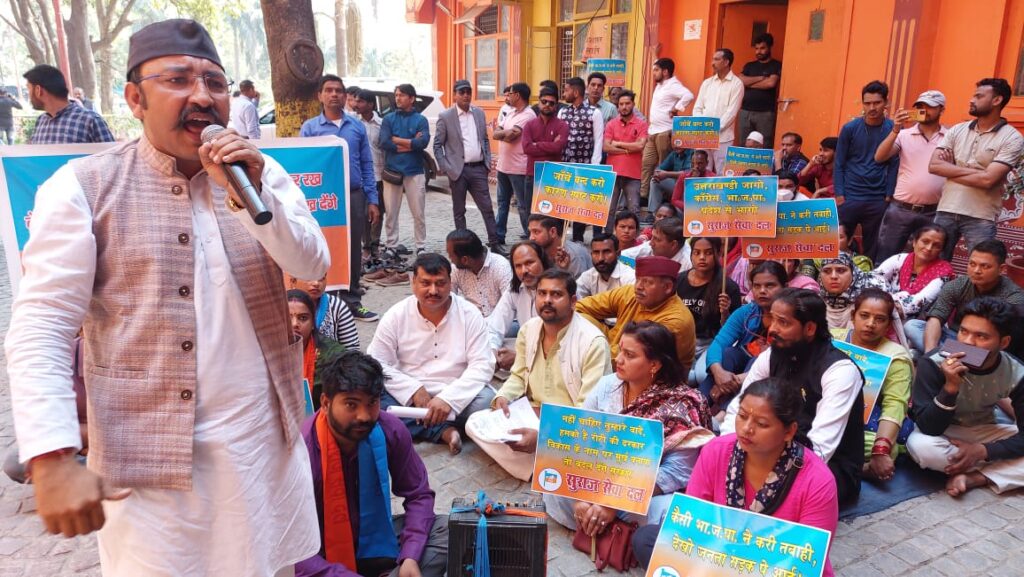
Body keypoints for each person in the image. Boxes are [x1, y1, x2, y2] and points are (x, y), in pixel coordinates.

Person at [5, 18, 329, 574]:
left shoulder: (258, 170)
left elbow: (311, 264)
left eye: (215, 83)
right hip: (152, 480)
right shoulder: (84, 188)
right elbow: (42, 326)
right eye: (178, 80)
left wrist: (250, 193)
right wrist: (52, 455)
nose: (202, 96)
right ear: (135, 98)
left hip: (260, 454)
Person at [633, 378, 839, 577]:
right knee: (647, 540)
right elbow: (694, 520)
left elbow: (805, 559)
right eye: (742, 416)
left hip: (775, 568)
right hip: (718, 555)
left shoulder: (817, 481)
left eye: (762, 424)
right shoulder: (716, 451)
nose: (747, 428)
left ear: (789, 432)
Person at [546, 321, 714, 531]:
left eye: (630, 355)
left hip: (644, 491)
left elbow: (676, 470)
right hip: (597, 480)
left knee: (666, 510)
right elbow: (580, 437)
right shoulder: (607, 385)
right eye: (620, 351)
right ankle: (598, 523)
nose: (618, 359)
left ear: (654, 365)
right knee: (554, 481)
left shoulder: (684, 404)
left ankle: (613, 530)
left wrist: (615, 501)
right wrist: (580, 494)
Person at [296, 350, 449, 577]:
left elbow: (418, 495)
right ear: (326, 403)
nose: (364, 416)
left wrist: (410, 556)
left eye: (372, 403)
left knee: (447, 531)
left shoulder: (390, 430)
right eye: (351, 404)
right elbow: (288, 546)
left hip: (378, 539)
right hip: (321, 552)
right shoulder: (301, 452)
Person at [722, 288, 865, 504]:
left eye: (783, 322)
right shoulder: (772, 355)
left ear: (809, 328)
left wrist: (762, 468)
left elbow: (821, 449)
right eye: (772, 319)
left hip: (826, 467)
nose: (772, 329)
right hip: (767, 447)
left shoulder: (840, 371)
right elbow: (739, 408)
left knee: (766, 496)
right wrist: (730, 452)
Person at [468, 270, 611, 480]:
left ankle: (542, 458)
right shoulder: (528, 330)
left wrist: (545, 436)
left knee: (584, 442)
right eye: (542, 293)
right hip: (532, 413)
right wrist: (503, 396)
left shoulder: (592, 342)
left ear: (573, 301)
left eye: (556, 294)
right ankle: (547, 460)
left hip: (569, 424)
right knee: (474, 422)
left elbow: (589, 411)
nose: (547, 300)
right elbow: (518, 375)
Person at [369, 253, 495, 455]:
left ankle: (419, 424)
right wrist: (412, 389)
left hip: (456, 390)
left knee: (487, 402)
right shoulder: (396, 315)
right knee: (369, 398)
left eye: (440, 283)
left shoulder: (469, 314)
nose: (433, 291)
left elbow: (482, 365)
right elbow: (375, 362)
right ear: (413, 283)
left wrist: (448, 399)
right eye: (426, 283)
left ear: (450, 282)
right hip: (409, 396)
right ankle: (443, 431)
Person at [908, 297, 1024, 497]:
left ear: (1003, 342)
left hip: (984, 429)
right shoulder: (933, 361)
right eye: (963, 331)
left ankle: (977, 477)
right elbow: (928, 427)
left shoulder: (1016, 372)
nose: (968, 341)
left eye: (981, 336)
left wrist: (984, 450)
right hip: (943, 434)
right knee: (921, 448)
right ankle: (999, 469)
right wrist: (950, 388)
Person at [300, 74, 381, 321]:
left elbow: (366, 164)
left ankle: (352, 301)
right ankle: (322, 303)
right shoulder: (310, 129)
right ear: (320, 96)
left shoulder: (356, 127)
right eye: (329, 90)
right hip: (323, 198)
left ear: (345, 96)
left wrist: (372, 199)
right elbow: (305, 164)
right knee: (322, 247)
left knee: (353, 249)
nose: (334, 94)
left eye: (338, 90)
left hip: (353, 196)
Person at [929, 78, 1024, 260]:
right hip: (946, 208)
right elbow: (934, 166)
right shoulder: (957, 130)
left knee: (981, 266)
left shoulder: (1012, 138)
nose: (971, 100)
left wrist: (950, 169)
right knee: (935, 265)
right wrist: (980, 173)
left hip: (981, 216)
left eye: (979, 96)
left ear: (997, 100)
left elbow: (988, 180)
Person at [830, 289, 912, 482]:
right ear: (853, 316)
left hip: (868, 419)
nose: (870, 324)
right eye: (864, 315)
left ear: (888, 325)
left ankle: (848, 465)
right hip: (827, 409)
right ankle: (858, 468)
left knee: (872, 446)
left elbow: (895, 403)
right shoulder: (832, 340)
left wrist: (880, 449)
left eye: (880, 319)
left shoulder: (895, 356)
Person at [576, 256, 696, 372]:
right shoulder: (630, 293)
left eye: (647, 282)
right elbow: (581, 306)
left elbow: (636, 354)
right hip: (613, 350)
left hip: (650, 374)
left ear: (667, 287)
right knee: (576, 317)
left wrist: (586, 353)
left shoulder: (676, 321)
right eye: (637, 279)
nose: (638, 286)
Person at [904, 240, 1024, 354]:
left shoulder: (1013, 296)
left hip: (984, 346)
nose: (976, 270)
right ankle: (942, 358)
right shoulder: (957, 285)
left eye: (985, 266)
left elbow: (1008, 338)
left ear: (1001, 269)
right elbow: (936, 317)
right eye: (972, 264)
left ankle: (950, 357)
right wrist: (930, 353)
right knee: (913, 326)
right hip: (956, 338)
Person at [873, 90, 948, 263]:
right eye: (920, 106)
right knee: (886, 258)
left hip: (934, 211)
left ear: (941, 110)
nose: (924, 111)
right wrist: (895, 129)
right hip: (901, 209)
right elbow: (879, 157)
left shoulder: (951, 136)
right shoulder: (903, 135)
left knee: (928, 261)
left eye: (930, 107)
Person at [702, 261, 788, 408]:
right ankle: (698, 404)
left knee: (758, 360)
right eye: (756, 286)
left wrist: (736, 380)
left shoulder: (790, 317)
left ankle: (724, 413)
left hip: (774, 373)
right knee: (728, 354)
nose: (762, 291)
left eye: (770, 286)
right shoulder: (746, 312)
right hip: (738, 371)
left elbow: (782, 358)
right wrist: (718, 372)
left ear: (785, 287)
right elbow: (718, 344)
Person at [833, 81, 898, 262]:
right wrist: (839, 194)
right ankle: (836, 272)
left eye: (877, 103)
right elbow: (839, 163)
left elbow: (895, 163)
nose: (872, 108)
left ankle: (867, 275)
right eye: (867, 103)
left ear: (886, 103)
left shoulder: (893, 129)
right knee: (838, 241)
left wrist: (888, 194)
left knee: (873, 246)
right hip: (850, 196)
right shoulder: (850, 128)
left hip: (877, 198)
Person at [434, 79, 501, 252]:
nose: (465, 95)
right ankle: (462, 247)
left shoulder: (479, 113)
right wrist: (446, 167)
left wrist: (487, 163)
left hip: (478, 168)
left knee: (487, 208)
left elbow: (485, 139)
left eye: (468, 92)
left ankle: (494, 243)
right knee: (459, 211)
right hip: (458, 171)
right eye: (461, 92)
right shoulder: (446, 116)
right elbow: (437, 145)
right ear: (454, 95)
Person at [676, 237, 742, 385]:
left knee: (701, 376)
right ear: (691, 254)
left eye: (708, 253)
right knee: (679, 375)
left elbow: (732, 330)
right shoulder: (678, 280)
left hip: (711, 343)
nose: (702, 257)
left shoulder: (728, 287)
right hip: (682, 341)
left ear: (718, 253)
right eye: (697, 252)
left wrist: (725, 313)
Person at [380, 84, 430, 256]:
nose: (398, 98)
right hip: (392, 171)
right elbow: (384, 142)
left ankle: (421, 246)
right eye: (396, 95)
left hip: (414, 171)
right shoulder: (388, 119)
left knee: (418, 213)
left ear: (411, 98)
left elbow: (422, 143)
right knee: (391, 212)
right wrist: (410, 143)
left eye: (401, 95)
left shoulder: (420, 120)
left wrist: (396, 140)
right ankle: (391, 246)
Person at [487, 241, 551, 367]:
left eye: (529, 263)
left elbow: (559, 345)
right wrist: (493, 354)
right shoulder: (515, 290)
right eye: (518, 266)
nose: (524, 271)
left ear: (542, 261)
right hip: (527, 349)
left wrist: (520, 358)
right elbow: (494, 329)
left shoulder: (557, 291)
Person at [873, 223, 955, 321]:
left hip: (919, 319)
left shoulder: (944, 272)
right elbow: (875, 278)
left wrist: (884, 306)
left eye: (936, 245)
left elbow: (920, 301)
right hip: (883, 308)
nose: (929, 248)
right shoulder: (899, 259)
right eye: (925, 241)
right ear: (914, 242)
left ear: (941, 250)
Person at [642, 58, 695, 205]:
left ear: (665, 72)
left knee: (663, 165)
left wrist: (676, 108)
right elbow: (658, 62)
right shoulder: (660, 85)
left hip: (665, 132)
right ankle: (643, 196)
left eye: (656, 70)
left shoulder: (673, 84)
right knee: (647, 164)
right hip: (653, 131)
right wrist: (655, 54)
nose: (653, 73)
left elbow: (689, 95)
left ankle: (664, 201)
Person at [558, 77, 604, 242]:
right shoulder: (563, 112)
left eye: (567, 90)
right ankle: (561, 239)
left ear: (576, 92)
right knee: (563, 203)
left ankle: (578, 239)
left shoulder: (594, 113)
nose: (564, 94)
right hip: (565, 166)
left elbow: (598, 140)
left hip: (585, 166)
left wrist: (594, 166)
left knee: (581, 204)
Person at [492, 82, 536, 248]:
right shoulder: (510, 112)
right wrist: (503, 133)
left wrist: (501, 134)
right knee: (502, 203)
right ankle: (499, 236)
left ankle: (531, 237)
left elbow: (511, 136)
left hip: (518, 168)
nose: (507, 97)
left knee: (523, 206)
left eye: (509, 93)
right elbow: (497, 133)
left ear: (517, 95)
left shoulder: (528, 115)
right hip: (503, 166)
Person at [23, 64, 113, 144]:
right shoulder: (41, 121)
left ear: (38, 90)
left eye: (28, 89)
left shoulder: (91, 121)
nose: (28, 95)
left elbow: (113, 155)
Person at [288, 289, 347, 403]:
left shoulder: (333, 356)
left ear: (313, 323)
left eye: (303, 318)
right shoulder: (264, 353)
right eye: (288, 318)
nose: (295, 324)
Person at [692, 48, 745, 171]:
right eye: (713, 59)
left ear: (726, 62)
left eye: (716, 59)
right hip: (703, 135)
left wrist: (713, 128)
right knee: (701, 171)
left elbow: (731, 113)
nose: (712, 63)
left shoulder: (736, 84)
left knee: (722, 172)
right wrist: (702, 126)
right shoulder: (707, 83)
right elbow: (697, 108)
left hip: (723, 137)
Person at [603, 90, 648, 224]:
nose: (624, 107)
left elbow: (640, 146)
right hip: (613, 172)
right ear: (617, 106)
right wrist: (628, 150)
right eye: (621, 104)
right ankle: (608, 234)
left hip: (633, 173)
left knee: (634, 209)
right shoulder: (611, 124)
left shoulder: (641, 124)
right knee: (609, 209)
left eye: (627, 103)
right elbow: (606, 147)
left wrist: (618, 144)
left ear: (633, 104)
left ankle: (634, 236)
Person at [446, 228, 513, 318]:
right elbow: (448, 299)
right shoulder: (455, 269)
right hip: (472, 321)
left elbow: (509, 305)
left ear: (465, 260)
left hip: (502, 320)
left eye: (451, 256)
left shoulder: (501, 266)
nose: (450, 259)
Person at [817, 252, 887, 330]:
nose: (833, 276)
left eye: (841, 270)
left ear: (853, 273)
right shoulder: (816, 303)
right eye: (827, 271)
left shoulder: (871, 300)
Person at [288, 275, 360, 350]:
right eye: (309, 278)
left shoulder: (337, 306)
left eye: (321, 278)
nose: (316, 283)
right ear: (293, 281)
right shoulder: (282, 306)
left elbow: (352, 349)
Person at [355, 88, 386, 261]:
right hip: (360, 177)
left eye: (360, 101)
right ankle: (365, 246)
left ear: (370, 104)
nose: (356, 104)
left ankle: (375, 245)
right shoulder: (353, 123)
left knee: (378, 213)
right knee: (363, 214)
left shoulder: (382, 124)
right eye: (356, 101)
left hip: (379, 175)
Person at [522, 87, 569, 198]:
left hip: (553, 176)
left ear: (556, 106)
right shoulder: (529, 125)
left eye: (551, 103)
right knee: (529, 208)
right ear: (538, 103)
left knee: (551, 209)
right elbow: (526, 148)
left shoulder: (562, 125)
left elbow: (558, 148)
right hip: (533, 175)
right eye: (544, 101)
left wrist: (536, 144)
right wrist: (551, 145)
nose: (547, 105)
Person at [736, 33, 782, 147]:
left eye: (762, 48)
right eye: (756, 48)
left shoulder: (776, 65)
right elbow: (740, 81)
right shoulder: (749, 66)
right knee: (744, 143)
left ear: (769, 47)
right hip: (745, 111)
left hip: (765, 113)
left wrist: (749, 83)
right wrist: (761, 78)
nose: (758, 51)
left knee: (764, 144)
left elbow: (770, 83)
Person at [576, 233, 636, 299]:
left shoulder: (630, 278)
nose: (600, 258)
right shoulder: (588, 276)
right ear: (591, 254)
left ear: (618, 254)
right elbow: (575, 299)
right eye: (596, 252)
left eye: (606, 252)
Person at [621, 216, 692, 271]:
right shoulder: (651, 245)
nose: (650, 243)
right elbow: (622, 256)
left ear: (673, 244)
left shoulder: (689, 264)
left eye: (657, 239)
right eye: (652, 237)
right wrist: (641, 268)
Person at [649, 141, 692, 211]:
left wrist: (666, 174)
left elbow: (688, 173)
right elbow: (660, 168)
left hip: (688, 187)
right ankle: (653, 212)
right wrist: (657, 174)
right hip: (676, 185)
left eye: (679, 142)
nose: (677, 146)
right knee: (654, 180)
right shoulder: (674, 153)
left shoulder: (692, 152)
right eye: (675, 143)